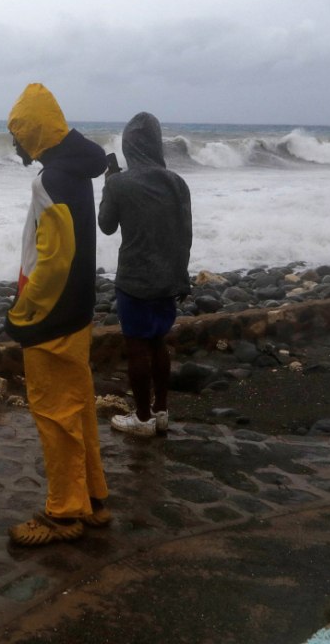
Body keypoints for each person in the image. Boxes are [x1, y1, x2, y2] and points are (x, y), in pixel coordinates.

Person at [3, 83, 111, 546]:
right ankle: (92, 500)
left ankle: (63, 513)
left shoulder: (51, 180)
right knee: (79, 406)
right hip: (78, 309)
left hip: (52, 316)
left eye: (17, 133)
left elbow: (54, 259)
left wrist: (25, 314)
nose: (14, 143)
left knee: (53, 412)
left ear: (34, 132)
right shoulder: (78, 173)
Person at [98, 112, 193, 438]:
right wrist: (182, 275)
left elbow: (106, 226)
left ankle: (141, 418)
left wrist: (109, 185)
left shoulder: (121, 184)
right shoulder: (177, 182)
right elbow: (185, 233)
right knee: (158, 343)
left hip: (135, 279)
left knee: (137, 346)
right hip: (169, 276)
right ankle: (162, 411)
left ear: (128, 146)